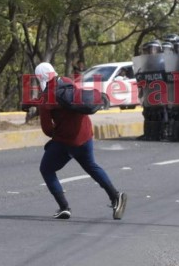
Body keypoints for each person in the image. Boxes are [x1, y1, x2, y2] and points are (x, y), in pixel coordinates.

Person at [34, 62, 127, 220]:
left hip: (66, 141)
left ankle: (64, 207)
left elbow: (47, 129)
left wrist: (57, 135)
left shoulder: (45, 98)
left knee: (46, 169)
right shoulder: (68, 82)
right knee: (92, 166)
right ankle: (115, 197)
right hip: (85, 135)